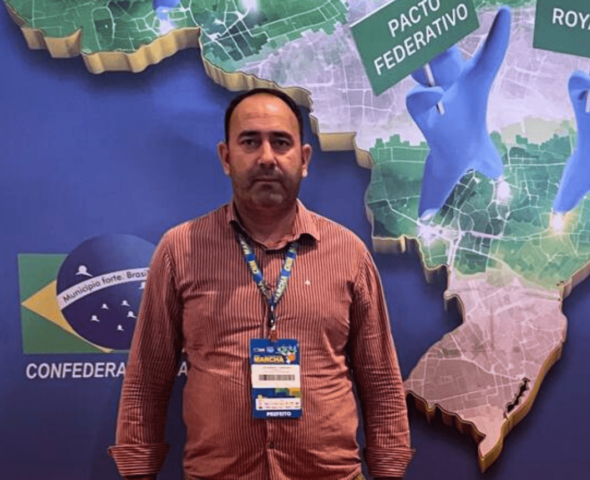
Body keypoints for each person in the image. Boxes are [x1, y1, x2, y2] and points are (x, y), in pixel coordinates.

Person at [109, 88, 413, 480]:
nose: (267, 157)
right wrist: (137, 468)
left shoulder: (348, 253)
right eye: (250, 142)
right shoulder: (180, 250)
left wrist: (389, 468)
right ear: (226, 157)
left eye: (281, 142)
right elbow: (148, 377)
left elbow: (381, 380)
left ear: (304, 159)